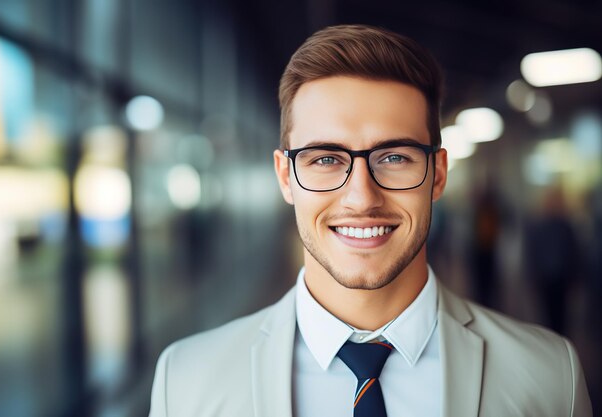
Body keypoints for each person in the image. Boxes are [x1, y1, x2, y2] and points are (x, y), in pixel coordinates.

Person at [149, 24, 592, 416]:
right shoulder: (186, 382)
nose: (362, 197)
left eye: (394, 157)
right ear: (286, 178)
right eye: (325, 158)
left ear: (437, 174)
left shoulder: (551, 378)